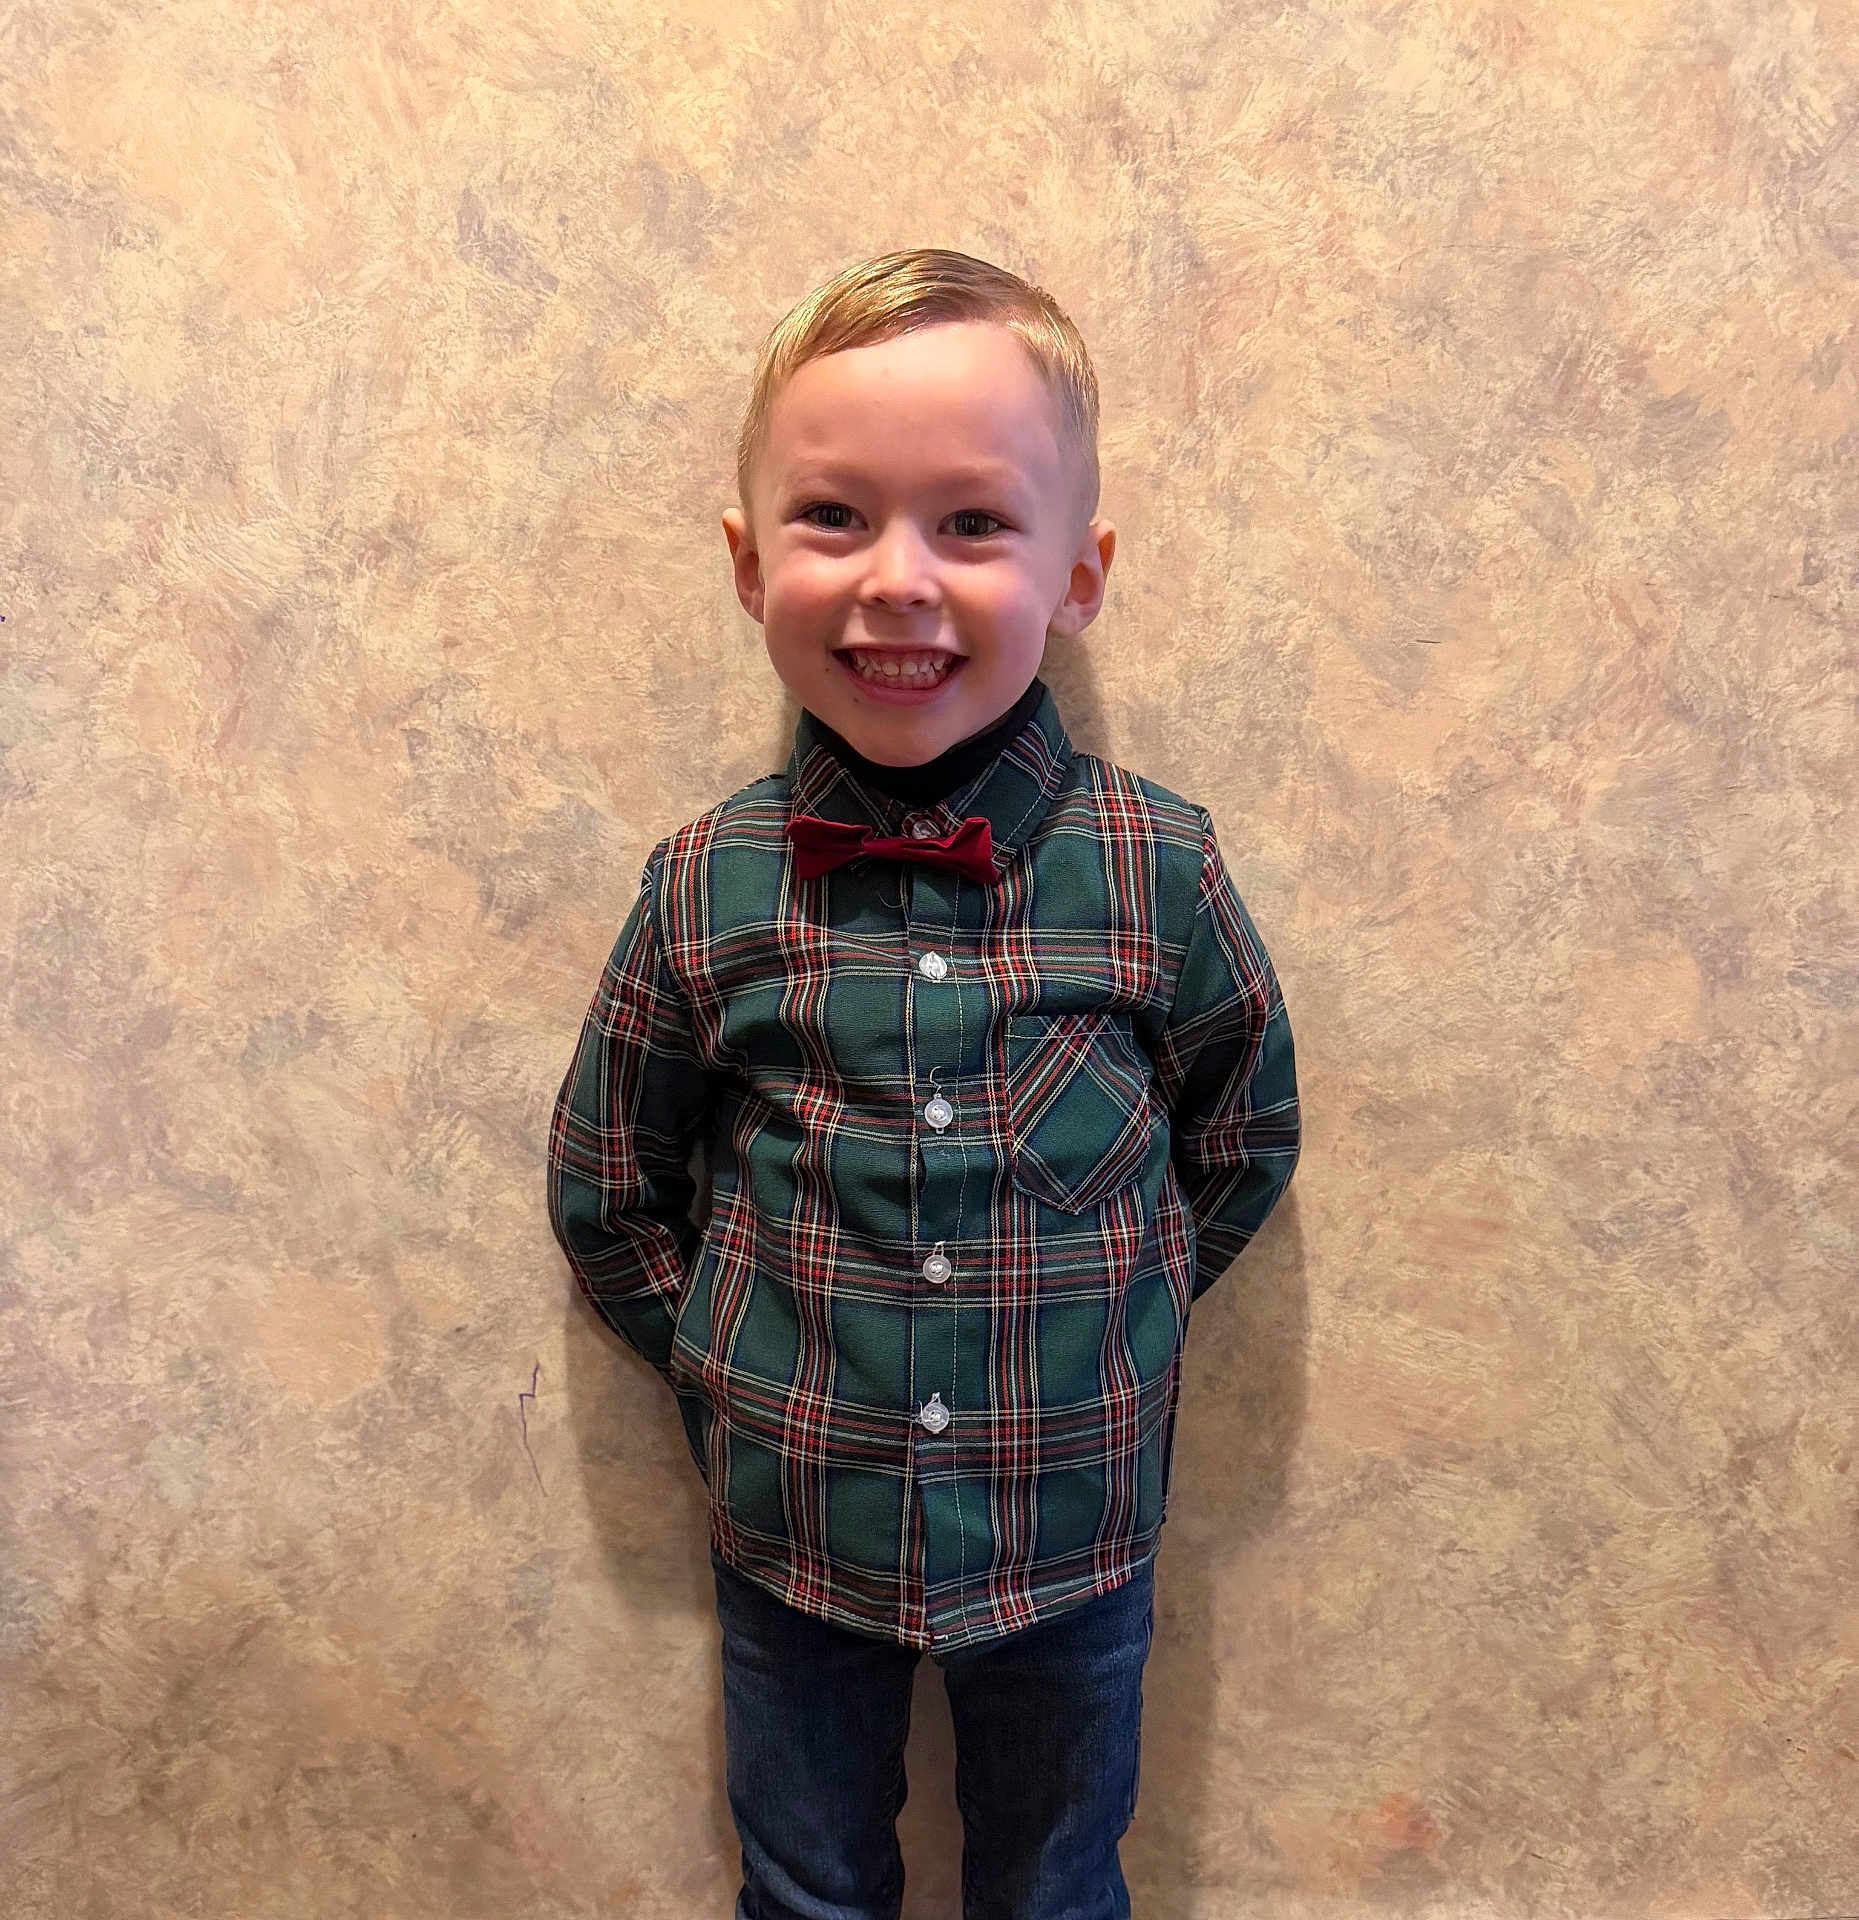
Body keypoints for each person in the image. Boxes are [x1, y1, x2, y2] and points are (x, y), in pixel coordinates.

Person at [546, 248, 1301, 1920]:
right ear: (747, 566)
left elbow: (1241, 1136)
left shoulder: (1159, 869)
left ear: (1081, 573)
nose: (901, 579)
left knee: (1055, 1883)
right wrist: (742, 1371)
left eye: (972, 523)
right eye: (834, 517)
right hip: (793, 1529)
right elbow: (610, 1181)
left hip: (1075, 1529)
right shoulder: (704, 884)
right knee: (808, 1888)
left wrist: (1123, 1322)